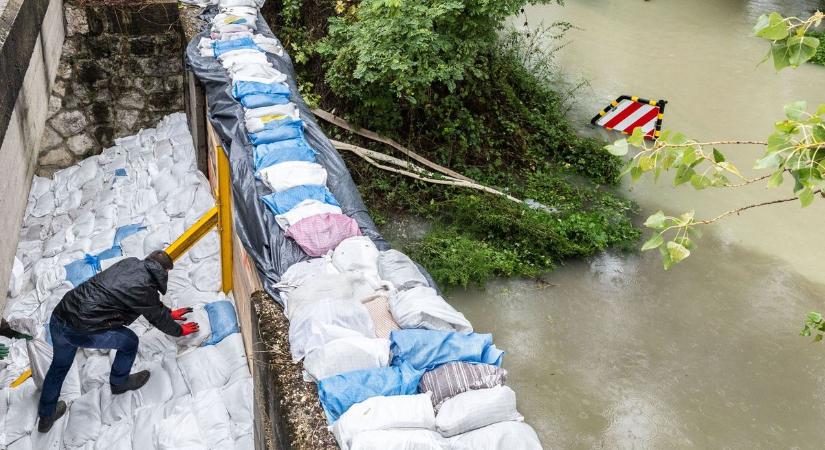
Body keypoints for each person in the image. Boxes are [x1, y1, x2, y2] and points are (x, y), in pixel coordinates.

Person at [36, 250, 200, 432]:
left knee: (59, 366)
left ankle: (46, 416)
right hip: (81, 329)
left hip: (61, 315)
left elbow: (150, 304)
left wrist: (168, 313)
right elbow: (155, 315)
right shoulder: (145, 287)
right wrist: (178, 330)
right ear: (164, 271)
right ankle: (119, 382)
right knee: (129, 342)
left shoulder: (130, 262)